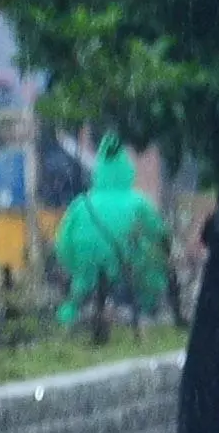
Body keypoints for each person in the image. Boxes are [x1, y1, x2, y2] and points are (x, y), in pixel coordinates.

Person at [52, 136, 169, 333]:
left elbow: (63, 244)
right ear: (127, 170)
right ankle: (144, 312)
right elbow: (160, 240)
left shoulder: (81, 205)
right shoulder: (140, 204)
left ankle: (69, 320)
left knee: (77, 300)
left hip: (87, 280)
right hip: (132, 279)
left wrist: (77, 270)